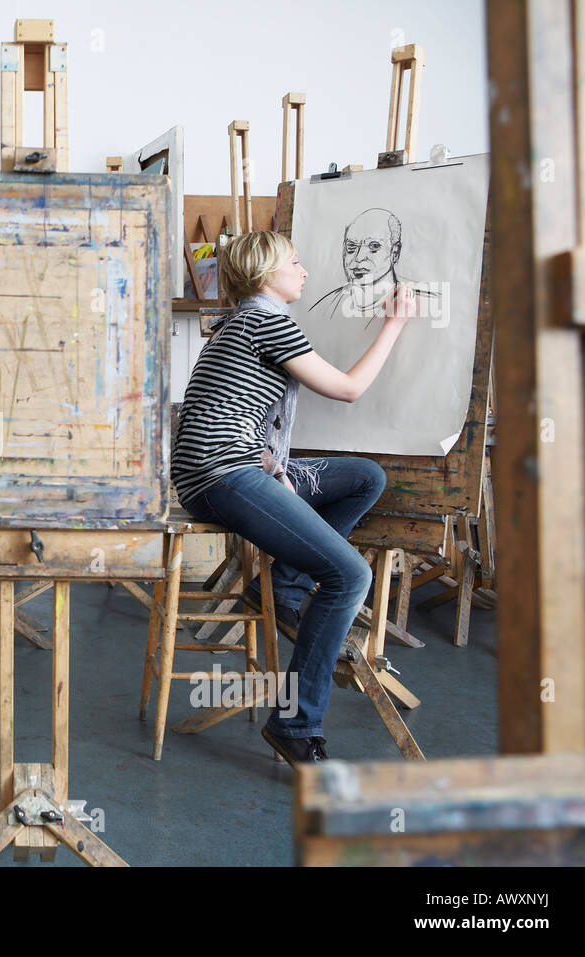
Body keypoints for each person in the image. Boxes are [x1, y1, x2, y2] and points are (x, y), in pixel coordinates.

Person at [171, 229, 416, 766]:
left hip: (231, 467)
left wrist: (274, 468)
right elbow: (348, 390)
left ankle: (282, 586)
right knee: (350, 576)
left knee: (363, 477)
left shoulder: (238, 323)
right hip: (221, 475)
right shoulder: (265, 320)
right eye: (295, 263)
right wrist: (393, 323)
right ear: (265, 274)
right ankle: (296, 723)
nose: (304, 272)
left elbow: (228, 412)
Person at [309, 207, 439, 323]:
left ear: (395, 252)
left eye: (374, 246)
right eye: (352, 247)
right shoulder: (325, 306)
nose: (358, 258)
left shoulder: (430, 304)